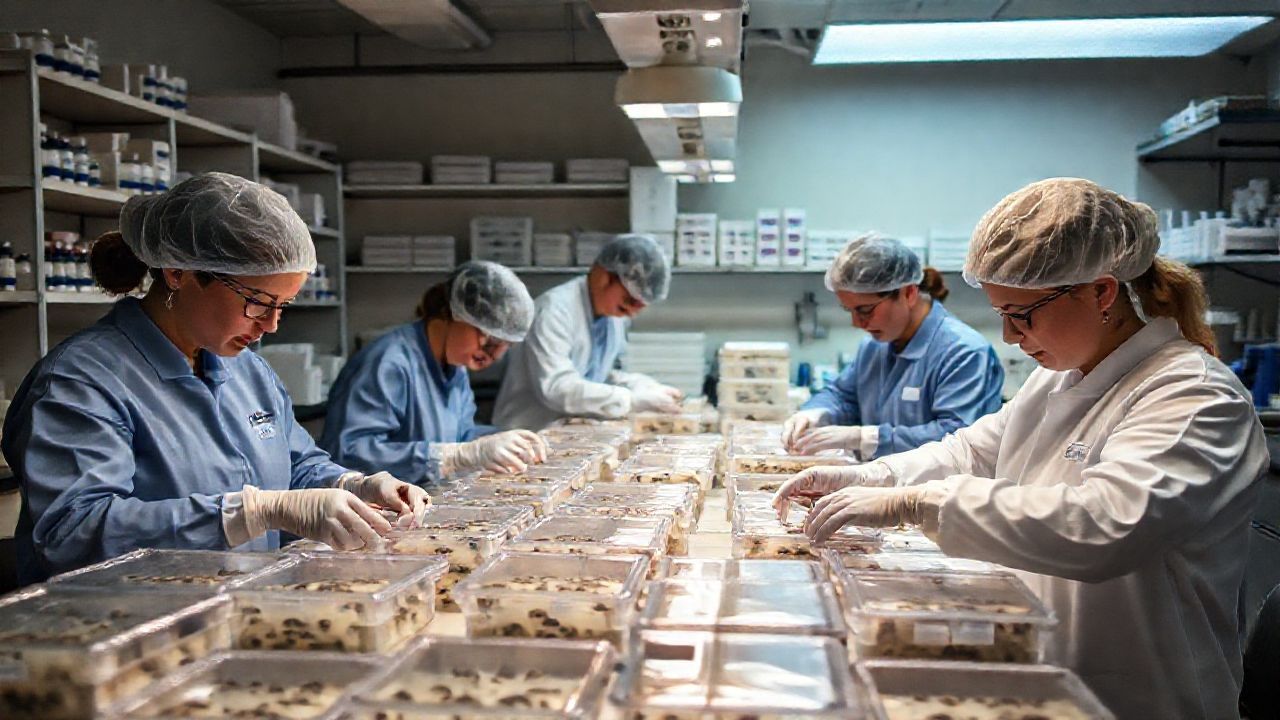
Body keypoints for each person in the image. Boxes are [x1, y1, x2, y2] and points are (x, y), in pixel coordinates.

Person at [773, 178, 1267, 719]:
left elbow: (1105, 524)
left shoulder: (1193, 396)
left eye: (1020, 314)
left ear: (1101, 292)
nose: (1009, 337)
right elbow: (969, 450)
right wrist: (872, 477)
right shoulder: (1058, 378)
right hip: (1041, 677)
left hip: (1142, 694)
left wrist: (920, 504)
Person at [2, 173, 429, 585]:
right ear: (178, 272)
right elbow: (72, 534)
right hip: (120, 628)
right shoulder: (80, 382)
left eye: (284, 305)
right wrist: (252, 513)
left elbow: (296, 465)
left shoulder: (246, 369)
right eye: (259, 302)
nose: (272, 325)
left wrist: (353, 484)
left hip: (234, 611)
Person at [321, 261, 547, 483]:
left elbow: (460, 437)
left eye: (505, 346)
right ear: (456, 314)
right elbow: (349, 453)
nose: (494, 355)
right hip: (372, 508)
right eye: (489, 340)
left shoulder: (455, 366)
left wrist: (503, 441)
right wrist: (453, 457)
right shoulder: (388, 362)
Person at [781, 235, 1003, 460]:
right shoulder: (874, 346)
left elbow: (959, 441)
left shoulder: (965, 353)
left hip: (940, 491)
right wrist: (815, 413)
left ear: (908, 293)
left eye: (865, 310)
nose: (857, 323)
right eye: (850, 311)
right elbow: (842, 395)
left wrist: (864, 438)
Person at [493, 234, 685, 430]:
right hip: (529, 431)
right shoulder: (554, 310)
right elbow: (558, 388)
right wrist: (629, 399)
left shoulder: (612, 316)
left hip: (570, 435)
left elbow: (595, 375)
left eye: (641, 306)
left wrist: (638, 384)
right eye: (631, 300)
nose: (633, 312)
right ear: (604, 275)